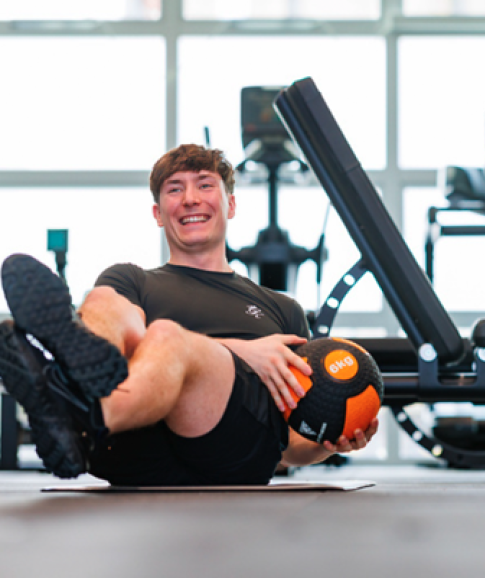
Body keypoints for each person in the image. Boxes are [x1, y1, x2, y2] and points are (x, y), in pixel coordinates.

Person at [0, 143, 378, 485]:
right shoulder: (131, 279)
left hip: (230, 447)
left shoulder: (282, 309)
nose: (190, 199)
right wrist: (244, 350)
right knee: (102, 300)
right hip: (130, 449)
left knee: (165, 336)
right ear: (158, 213)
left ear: (230, 204)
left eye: (205, 185)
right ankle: (76, 388)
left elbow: (291, 443)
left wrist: (329, 443)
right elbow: (125, 325)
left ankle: (81, 413)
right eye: (174, 189)